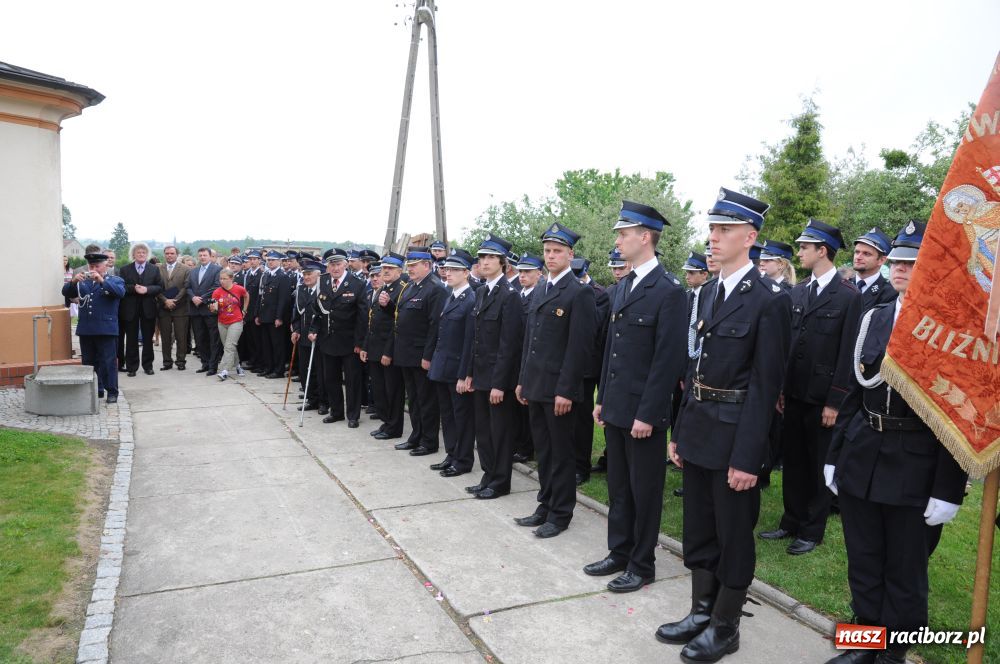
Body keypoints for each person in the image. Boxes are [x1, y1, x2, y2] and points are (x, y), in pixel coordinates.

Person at [823, 222, 967, 664]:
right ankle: (862, 646)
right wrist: (835, 456)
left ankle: (892, 655)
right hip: (864, 454)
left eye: (912, 262)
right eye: (898, 261)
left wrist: (949, 487)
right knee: (864, 561)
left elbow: (958, 415)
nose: (901, 269)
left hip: (916, 464)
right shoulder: (876, 317)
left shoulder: (950, 328)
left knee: (904, 572)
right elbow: (854, 390)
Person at [657, 188, 790, 663]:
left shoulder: (770, 300)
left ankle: (726, 625)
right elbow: (695, 371)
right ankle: (701, 610)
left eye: (724, 230)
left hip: (736, 434)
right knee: (700, 527)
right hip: (700, 428)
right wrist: (680, 431)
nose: (713, 238)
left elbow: (765, 386)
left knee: (734, 534)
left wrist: (748, 456)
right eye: (712, 229)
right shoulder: (709, 291)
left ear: (750, 237)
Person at [587, 201, 687, 593]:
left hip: (644, 413)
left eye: (623, 234)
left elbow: (668, 360)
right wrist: (602, 397)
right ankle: (620, 551)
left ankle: (643, 564)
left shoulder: (668, 291)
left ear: (645, 237)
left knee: (645, 491)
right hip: (617, 405)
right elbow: (612, 349)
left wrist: (648, 413)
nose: (618, 240)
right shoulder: (625, 284)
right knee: (619, 486)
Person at [759, 219, 862, 556]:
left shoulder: (848, 297)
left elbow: (849, 352)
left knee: (818, 464)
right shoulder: (799, 291)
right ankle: (791, 520)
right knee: (795, 460)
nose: (800, 251)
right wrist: (780, 391)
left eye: (806, 247)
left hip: (823, 398)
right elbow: (789, 346)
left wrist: (836, 402)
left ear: (823, 251)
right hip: (794, 393)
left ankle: (812, 528)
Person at [515, 222, 597, 538]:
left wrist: (567, 390)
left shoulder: (579, 293)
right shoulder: (540, 289)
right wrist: (522, 380)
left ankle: (560, 513)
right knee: (544, 451)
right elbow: (530, 341)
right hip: (535, 385)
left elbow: (580, 349)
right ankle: (545, 504)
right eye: (547, 251)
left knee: (562, 454)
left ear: (570, 254)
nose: (550, 256)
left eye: (557, 251)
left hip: (558, 391)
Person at [459, 235, 525, 498]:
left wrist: (499, 384)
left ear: (503, 263)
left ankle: (500, 482)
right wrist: (470, 374)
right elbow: (476, 339)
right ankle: (488, 476)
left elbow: (509, 346)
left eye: (490, 258)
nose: (484, 262)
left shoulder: (510, 296)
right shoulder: (481, 292)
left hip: (498, 379)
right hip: (481, 376)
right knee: (483, 432)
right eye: (482, 257)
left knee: (500, 433)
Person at [386, 246, 446, 455]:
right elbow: (400, 317)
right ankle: (416, 436)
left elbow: (434, 326)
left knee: (426, 401)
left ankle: (429, 442)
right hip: (406, 354)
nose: (409, 269)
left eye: (413, 266)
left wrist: (428, 356)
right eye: (408, 265)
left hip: (421, 355)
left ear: (427, 265)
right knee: (413, 399)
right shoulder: (410, 287)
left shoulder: (435, 288)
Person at [428, 249, 478, 478]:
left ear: (466, 273)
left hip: (457, 369)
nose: (448, 273)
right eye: (447, 269)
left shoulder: (470, 300)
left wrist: (463, 375)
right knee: (447, 416)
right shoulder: (451, 296)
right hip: (443, 367)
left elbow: (469, 342)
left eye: (455, 270)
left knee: (462, 418)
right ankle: (452, 453)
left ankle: (463, 459)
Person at [311, 249, 367, 427]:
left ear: (345, 264)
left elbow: (362, 316)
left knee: (352, 380)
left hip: (350, 341)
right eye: (331, 264)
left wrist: (359, 342)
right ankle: (336, 412)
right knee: (331, 378)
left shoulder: (357, 283)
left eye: (338, 264)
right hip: (328, 339)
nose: (334, 268)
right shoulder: (323, 281)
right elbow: (317, 310)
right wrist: (313, 330)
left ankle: (353, 415)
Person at [591, 247, 633, 475]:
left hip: (626, 365)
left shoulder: (632, 290)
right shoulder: (610, 291)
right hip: (606, 359)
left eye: (621, 267)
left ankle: (616, 460)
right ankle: (610, 458)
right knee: (606, 412)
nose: (617, 272)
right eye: (614, 268)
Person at [63, 253, 125, 403]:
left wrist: (102, 280)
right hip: (87, 328)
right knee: (89, 361)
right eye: (91, 266)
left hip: (106, 328)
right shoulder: (83, 282)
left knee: (108, 362)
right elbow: (66, 293)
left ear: (106, 265)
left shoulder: (115, 280)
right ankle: (96, 389)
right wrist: (73, 282)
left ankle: (112, 391)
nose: (94, 269)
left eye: (97, 266)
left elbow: (120, 293)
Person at [570, 257, 609, 486]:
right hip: (570, 364)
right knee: (570, 419)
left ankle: (580, 467)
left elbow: (594, 326)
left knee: (583, 420)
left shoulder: (598, 293)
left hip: (589, 366)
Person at [363, 252, 407, 440]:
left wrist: (388, 352)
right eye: (384, 268)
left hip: (389, 350)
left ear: (399, 271)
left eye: (390, 269)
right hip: (375, 348)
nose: (385, 271)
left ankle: (394, 427)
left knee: (393, 392)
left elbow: (396, 325)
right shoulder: (383, 288)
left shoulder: (402, 290)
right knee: (380, 391)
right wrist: (365, 346)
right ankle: (386, 422)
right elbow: (372, 321)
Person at [512, 253, 544, 464]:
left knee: (527, 408)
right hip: (516, 358)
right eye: (521, 272)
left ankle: (527, 447)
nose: (522, 276)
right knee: (516, 408)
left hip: (530, 359)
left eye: (527, 272)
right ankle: (519, 443)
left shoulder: (538, 296)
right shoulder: (517, 294)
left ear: (539, 274)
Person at [118, 242, 164, 377]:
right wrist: (134, 288)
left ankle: (148, 366)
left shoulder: (154, 269)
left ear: (147, 254)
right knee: (131, 339)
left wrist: (147, 289)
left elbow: (159, 287)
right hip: (130, 309)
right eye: (138, 252)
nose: (141, 254)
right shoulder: (125, 269)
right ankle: (131, 367)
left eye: (144, 252)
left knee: (147, 339)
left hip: (148, 308)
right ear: (133, 254)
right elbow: (122, 286)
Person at [291, 260, 323, 409]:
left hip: (319, 337)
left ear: (318, 275)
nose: (306, 277)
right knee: (304, 369)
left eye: (309, 274)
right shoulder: (302, 290)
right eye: (304, 274)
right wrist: (296, 330)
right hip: (303, 336)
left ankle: (323, 401)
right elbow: (296, 315)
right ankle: (311, 398)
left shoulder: (323, 290)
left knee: (319, 371)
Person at [188, 247, 223, 376]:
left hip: (209, 310)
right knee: (200, 338)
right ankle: (205, 363)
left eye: (205, 255)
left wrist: (202, 299)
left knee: (213, 339)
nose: (202, 257)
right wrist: (193, 297)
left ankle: (213, 366)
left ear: (210, 256)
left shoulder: (217, 270)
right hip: (195, 310)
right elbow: (188, 287)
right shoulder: (193, 271)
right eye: (200, 255)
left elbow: (216, 286)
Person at [256, 250, 291, 379]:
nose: (270, 262)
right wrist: (258, 314)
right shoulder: (266, 275)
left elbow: (284, 299)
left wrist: (279, 317)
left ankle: (278, 370)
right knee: (266, 345)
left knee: (277, 346)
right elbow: (262, 297)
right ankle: (268, 367)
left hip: (275, 317)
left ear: (279, 261)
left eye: (273, 260)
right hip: (265, 316)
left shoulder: (283, 277)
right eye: (268, 260)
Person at [210, 268, 249, 381]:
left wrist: (244, 310)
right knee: (229, 347)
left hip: (236, 321)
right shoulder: (217, 292)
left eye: (225, 279)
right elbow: (214, 308)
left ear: (231, 279)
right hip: (222, 322)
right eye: (221, 279)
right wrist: (212, 308)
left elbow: (246, 295)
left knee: (229, 346)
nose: (222, 281)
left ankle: (224, 370)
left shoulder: (238, 289)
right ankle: (237, 366)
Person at [157, 245, 191, 371]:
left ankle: (181, 361)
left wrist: (174, 300)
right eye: (167, 253)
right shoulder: (158, 268)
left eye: (172, 253)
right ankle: (167, 362)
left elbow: (186, 287)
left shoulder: (186, 269)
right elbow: (156, 286)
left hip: (180, 308)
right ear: (164, 254)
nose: (169, 255)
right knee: (165, 337)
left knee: (181, 336)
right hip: (163, 307)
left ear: (177, 254)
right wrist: (165, 300)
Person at [852, 228, 897, 311]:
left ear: (881, 260)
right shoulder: (842, 285)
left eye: (866, 254)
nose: (858, 257)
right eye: (857, 252)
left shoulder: (890, 293)